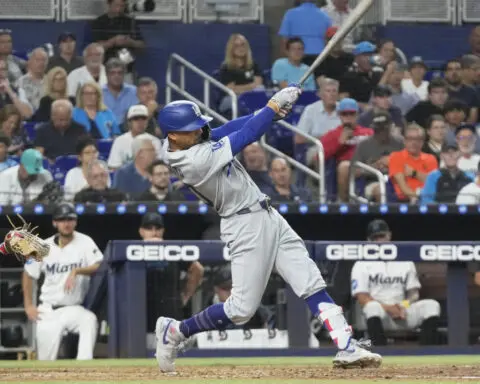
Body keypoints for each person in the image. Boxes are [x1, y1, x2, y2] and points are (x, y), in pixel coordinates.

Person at [154, 89, 382, 373]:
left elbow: (227, 128)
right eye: (192, 128)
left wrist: (269, 114)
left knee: (309, 279)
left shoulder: (188, 140)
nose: (200, 130)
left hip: (266, 214)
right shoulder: (190, 161)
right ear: (173, 136)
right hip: (243, 223)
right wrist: (271, 107)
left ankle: (346, 345)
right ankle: (176, 331)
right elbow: (244, 137)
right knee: (240, 310)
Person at [22, 202, 102, 360]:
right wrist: (28, 305)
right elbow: (28, 273)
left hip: (73, 307)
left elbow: (99, 265)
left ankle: (84, 369)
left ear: (75, 221)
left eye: (70, 219)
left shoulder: (85, 242)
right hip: (48, 310)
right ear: (55, 222)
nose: (66, 223)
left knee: (89, 320)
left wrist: (77, 271)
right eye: (62, 219)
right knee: (45, 362)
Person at [351, 219, 442, 346]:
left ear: (389, 235)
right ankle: (380, 353)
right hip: (379, 314)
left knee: (431, 305)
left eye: (382, 236)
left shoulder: (404, 260)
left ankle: (426, 354)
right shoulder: (361, 264)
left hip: (402, 311)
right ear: (368, 240)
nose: (379, 241)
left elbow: (414, 294)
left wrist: (402, 305)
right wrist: (388, 308)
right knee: (372, 307)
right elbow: (362, 298)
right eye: (375, 238)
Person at [139, 212, 204, 332]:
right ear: (141, 231)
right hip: (141, 317)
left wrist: (185, 295)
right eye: (149, 228)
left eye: (157, 228)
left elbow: (197, 269)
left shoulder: (173, 250)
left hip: (170, 315)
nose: (154, 232)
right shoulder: (132, 251)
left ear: (162, 231)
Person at [316, 98, 373, 202]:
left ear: (357, 115)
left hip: (369, 166)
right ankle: (344, 202)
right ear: (339, 115)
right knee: (344, 166)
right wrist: (339, 143)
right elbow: (319, 158)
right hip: (346, 169)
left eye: (351, 114)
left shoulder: (368, 132)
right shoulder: (332, 135)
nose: (348, 117)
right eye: (344, 114)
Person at [350, 111, 404, 202]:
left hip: (398, 180)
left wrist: (393, 161)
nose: (381, 133)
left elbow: (409, 162)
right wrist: (375, 166)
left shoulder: (400, 142)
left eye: (384, 130)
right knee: (382, 191)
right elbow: (354, 172)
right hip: (373, 182)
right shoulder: (364, 145)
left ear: (390, 127)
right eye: (378, 130)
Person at [90, 0, 145, 80]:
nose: (118, 9)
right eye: (116, 5)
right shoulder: (99, 22)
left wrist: (130, 42)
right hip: (106, 69)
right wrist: (113, 41)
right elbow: (96, 48)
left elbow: (142, 45)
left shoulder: (130, 22)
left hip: (126, 70)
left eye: (122, 6)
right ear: (108, 4)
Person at [388, 124, 438, 202]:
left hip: (428, 199)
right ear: (404, 141)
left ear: (422, 142)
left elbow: (433, 182)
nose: (414, 142)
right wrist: (415, 198)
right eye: (410, 139)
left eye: (417, 139)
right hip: (405, 200)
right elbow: (403, 186)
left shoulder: (431, 158)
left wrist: (414, 173)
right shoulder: (396, 157)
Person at [107, 104, 161, 169]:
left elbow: (159, 166)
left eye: (143, 118)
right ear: (129, 122)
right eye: (136, 119)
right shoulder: (119, 141)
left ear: (147, 121)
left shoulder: (155, 141)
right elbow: (113, 167)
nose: (140, 122)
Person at [278, 0, 332, 66]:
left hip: (297, 56)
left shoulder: (290, 14)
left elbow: (284, 39)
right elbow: (328, 39)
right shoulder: (325, 16)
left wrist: (284, 59)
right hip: (319, 56)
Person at [295, 78, 340, 143]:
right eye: (328, 91)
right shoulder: (310, 110)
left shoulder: (343, 108)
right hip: (316, 149)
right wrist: (328, 139)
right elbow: (299, 138)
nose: (332, 94)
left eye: (334, 91)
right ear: (320, 94)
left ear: (338, 94)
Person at [101, 58, 138, 124]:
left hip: (129, 130)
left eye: (120, 73)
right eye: (112, 73)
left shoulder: (134, 91)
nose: (116, 76)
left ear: (124, 74)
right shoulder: (98, 93)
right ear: (106, 74)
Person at [17, 47, 49, 112]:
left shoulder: (51, 81)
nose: (41, 63)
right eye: (37, 60)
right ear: (30, 62)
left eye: (43, 60)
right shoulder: (21, 82)